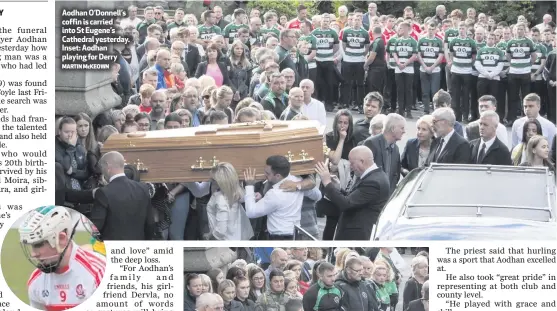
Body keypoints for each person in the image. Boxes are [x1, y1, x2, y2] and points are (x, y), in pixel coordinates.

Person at [20, 206, 106, 310]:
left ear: (62, 239)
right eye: (31, 246)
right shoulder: (35, 282)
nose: (33, 254)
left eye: (38, 244)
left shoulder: (98, 273)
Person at [315, 146, 390, 240]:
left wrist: (327, 183)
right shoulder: (374, 176)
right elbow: (354, 200)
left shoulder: (373, 182)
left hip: (357, 237)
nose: (350, 167)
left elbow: (346, 204)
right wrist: (338, 188)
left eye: (352, 163)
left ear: (362, 161)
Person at [91, 151, 155, 240]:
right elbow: (150, 223)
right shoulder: (143, 188)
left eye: (102, 167)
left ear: (108, 166)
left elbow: (94, 228)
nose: (102, 171)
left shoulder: (103, 193)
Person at [206, 163, 254, 240]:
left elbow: (220, 231)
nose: (210, 181)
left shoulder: (220, 199)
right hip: (238, 237)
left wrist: (211, 238)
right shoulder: (237, 192)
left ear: (220, 182)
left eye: (213, 179)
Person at [362, 113, 405, 194]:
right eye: (402, 128)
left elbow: (395, 175)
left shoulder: (396, 149)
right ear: (393, 129)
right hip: (371, 195)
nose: (404, 131)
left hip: (386, 197)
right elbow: (362, 172)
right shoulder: (371, 143)